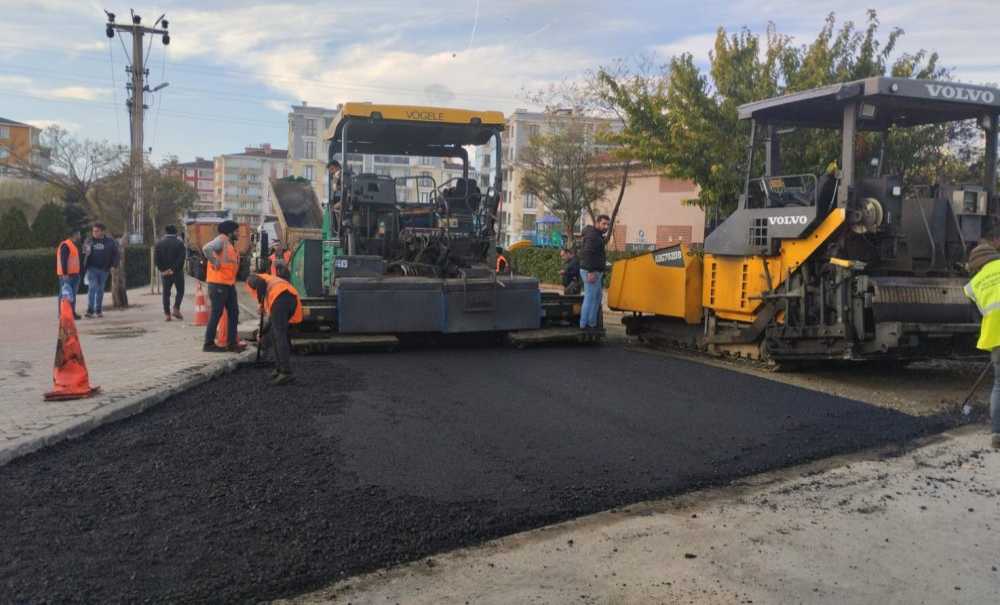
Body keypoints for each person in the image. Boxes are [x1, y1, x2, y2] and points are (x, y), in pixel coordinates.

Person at [963, 242, 1000, 449]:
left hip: (996, 338)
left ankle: (997, 434)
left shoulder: (974, 284)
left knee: (999, 386)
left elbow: (977, 315)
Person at [246, 262, 303, 386]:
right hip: (290, 298)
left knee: (279, 335)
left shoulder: (251, 278)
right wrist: (262, 332)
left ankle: (286, 373)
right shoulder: (272, 282)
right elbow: (272, 320)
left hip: (281, 299)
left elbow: (259, 283)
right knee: (275, 334)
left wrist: (260, 303)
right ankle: (279, 368)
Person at [202, 220, 245, 353]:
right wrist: (215, 262)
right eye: (236, 231)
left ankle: (232, 343)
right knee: (217, 313)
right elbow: (206, 248)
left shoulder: (229, 244)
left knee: (234, 313)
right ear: (230, 232)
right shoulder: (221, 240)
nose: (238, 233)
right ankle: (208, 344)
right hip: (218, 284)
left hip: (228, 284)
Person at [579, 214, 611, 330]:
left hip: (595, 271)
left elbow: (595, 254)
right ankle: (584, 324)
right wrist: (591, 271)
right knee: (590, 297)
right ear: (597, 223)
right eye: (603, 224)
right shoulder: (593, 235)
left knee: (597, 297)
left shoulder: (597, 235)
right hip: (590, 271)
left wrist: (603, 264)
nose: (606, 226)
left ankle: (591, 323)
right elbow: (587, 253)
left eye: (607, 224)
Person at [81, 222, 119, 319]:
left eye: (97, 231)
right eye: (93, 231)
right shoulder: (89, 241)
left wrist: (114, 265)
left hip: (104, 269)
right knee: (92, 287)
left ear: (102, 231)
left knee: (100, 289)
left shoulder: (110, 242)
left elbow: (116, 254)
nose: (94, 233)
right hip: (92, 269)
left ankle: (98, 310)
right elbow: (84, 253)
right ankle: (90, 310)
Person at [154, 224, 187, 321]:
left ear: (166, 232)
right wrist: (173, 269)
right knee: (180, 291)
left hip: (165, 274)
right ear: (175, 232)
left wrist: (163, 270)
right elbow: (181, 259)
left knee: (166, 293)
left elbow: (157, 259)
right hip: (177, 272)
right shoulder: (179, 243)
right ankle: (176, 308)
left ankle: (167, 314)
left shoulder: (159, 244)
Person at [56, 229, 82, 319]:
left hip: (74, 274)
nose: (80, 236)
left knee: (72, 295)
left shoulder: (73, 245)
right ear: (74, 235)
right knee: (65, 295)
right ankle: (62, 314)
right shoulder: (66, 245)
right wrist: (65, 274)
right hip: (67, 276)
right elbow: (64, 260)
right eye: (79, 234)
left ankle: (71, 313)